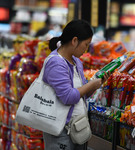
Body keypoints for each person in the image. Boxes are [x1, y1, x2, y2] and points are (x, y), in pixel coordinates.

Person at [42, 19, 110, 150]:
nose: (86, 49)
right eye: (86, 44)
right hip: (60, 131)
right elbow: (68, 97)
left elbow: (81, 94)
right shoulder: (56, 62)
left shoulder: (76, 62)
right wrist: (91, 85)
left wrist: (98, 83)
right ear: (74, 41)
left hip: (78, 127)